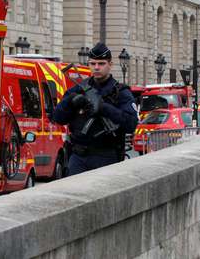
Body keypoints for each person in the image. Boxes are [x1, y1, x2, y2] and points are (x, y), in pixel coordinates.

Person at [53, 42, 139, 176]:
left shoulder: (121, 92)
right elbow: (57, 117)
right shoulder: (79, 89)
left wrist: (104, 108)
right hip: (78, 157)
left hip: (106, 156)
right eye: (93, 64)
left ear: (110, 64)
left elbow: (131, 124)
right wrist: (71, 101)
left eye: (101, 63)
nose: (96, 68)